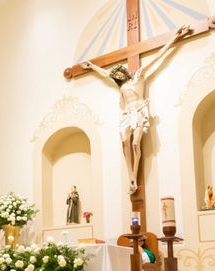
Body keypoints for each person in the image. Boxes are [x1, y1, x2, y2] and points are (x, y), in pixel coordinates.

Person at [81, 25, 190, 194]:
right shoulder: (122, 86)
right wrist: (92, 66)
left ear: (123, 72)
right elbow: (105, 74)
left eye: (118, 74)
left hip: (139, 111)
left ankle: (134, 175)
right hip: (127, 114)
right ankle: (130, 176)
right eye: (115, 76)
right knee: (124, 142)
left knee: (134, 143)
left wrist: (175, 37)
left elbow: (158, 57)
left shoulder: (139, 76)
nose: (117, 77)